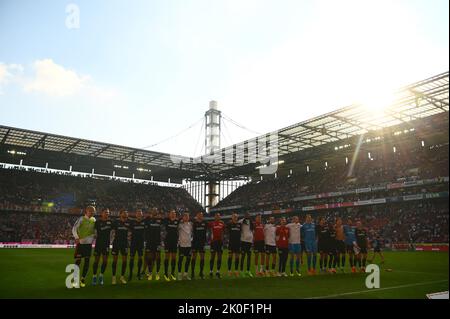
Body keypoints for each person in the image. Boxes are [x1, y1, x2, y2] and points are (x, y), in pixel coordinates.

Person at [72, 206, 96, 288]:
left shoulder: (94, 220)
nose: (92, 212)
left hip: (89, 244)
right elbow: (74, 228)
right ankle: (75, 279)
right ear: (86, 211)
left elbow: (94, 231)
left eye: (93, 211)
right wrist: (76, 237)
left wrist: (94, 236)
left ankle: (82, 279)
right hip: (81, 243)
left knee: (87, 262)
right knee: (78, 261)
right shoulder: (81, 219)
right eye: (90, 211)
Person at [92, 208, 112, 286]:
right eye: (105, 212)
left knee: (105, 261)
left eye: (108, 212)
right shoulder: (97, 222)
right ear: (102, 213)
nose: (107, 214)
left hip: (106, 244)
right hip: (98, 244)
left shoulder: (110, 222)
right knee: (96, 261)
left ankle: (101, 276)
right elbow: (92, 230)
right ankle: (94, 276)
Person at [111, 209, 130, 285]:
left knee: (124, 261)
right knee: (115, 261)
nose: (125, 214)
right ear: (120, 214)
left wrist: (130, 236)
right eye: (124, 213)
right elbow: (111, 230)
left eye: (126, 213)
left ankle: (122, 277)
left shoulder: (129, 222)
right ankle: (114, 277)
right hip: (116, 243)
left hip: (125, 243)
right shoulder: (115, 222)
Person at [144, 209, 163, 281]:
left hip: (157, 242)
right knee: (149, 257)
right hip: (149, 241)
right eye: (153, 211)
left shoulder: (160, 219)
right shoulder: (147, 219)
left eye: (156, 211)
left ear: (157, 212)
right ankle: (150, 272)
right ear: (151, 212)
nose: (155, 212)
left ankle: (157, 273)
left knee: (158, 257)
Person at [128, 209, 145, 281]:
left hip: (140, 243)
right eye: (137, 213)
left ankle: (138, 273)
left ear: (142, 215)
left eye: (140, 213)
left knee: (140, 258)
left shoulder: (144, 222)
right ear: (136, 215)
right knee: (131, 258)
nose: (139, 214)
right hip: (133, 243)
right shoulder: (132, 222)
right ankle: (130, 274)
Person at [163, 210, 179, 281]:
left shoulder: (177, 221)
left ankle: (172, 273)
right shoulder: (166, 220)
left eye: (174, 213)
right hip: (167, 241)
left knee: (174, 258)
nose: (173, 214)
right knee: (167, 257)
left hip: (174, 242)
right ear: (169, 214)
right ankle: (166, 273)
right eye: (172, 213)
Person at [208, 213, 225, 279]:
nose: (218, 217)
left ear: (220, 217)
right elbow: (209, 230)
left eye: (219, 216)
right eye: (216, 216)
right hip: (213, 242)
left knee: (219, 257)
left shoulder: (222, 224)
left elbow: (223, 232)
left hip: (220, 242)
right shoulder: (212, 223)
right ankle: (211, 271)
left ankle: (218, 271)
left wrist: (223, 240)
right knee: (212, 257)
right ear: (214, 217)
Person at [191, 212, 207, 280]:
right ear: (196, 216)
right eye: (199, 215)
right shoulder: (193, 223)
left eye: (201, 215)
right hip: (195, 243)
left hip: (202, 243)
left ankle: (201, 272)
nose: (200, 216)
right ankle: (192, 273)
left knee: (202, 258)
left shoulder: (205, 223)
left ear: (202, 216)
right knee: (194, 257)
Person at [177, 212, 193, 280]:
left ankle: (185, 274)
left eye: (187, 216)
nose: (186, 217)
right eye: (185, 216)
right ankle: (179, 274)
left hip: (189, 245)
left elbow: (191, 233)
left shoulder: (191, 224)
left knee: (188, 260)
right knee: (180, 260)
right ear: (183, 217)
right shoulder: (180, 225)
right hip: (182, 245)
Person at [227, 213, 242, 277]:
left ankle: (236, 271)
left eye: (236, 216)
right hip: (231, 242)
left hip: (238, 243)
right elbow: (226, 229)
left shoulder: (239, 225)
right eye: (234, 217)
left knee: (237, 257)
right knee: (230, 256)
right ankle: (229, 271)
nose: (235, 217)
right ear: (232, 218)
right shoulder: (229, 224)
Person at [239, 212, 254, 277]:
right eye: (246, 214)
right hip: (243, 241)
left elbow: (252, 231)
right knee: (243, 256)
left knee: (249, 257)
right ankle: (241, 271)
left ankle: (248, 271)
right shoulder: (241, 221)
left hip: (249, 242)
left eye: (248, 215)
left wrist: (252, 238)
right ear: (244, 215)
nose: (248, 215)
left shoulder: (251, 222)